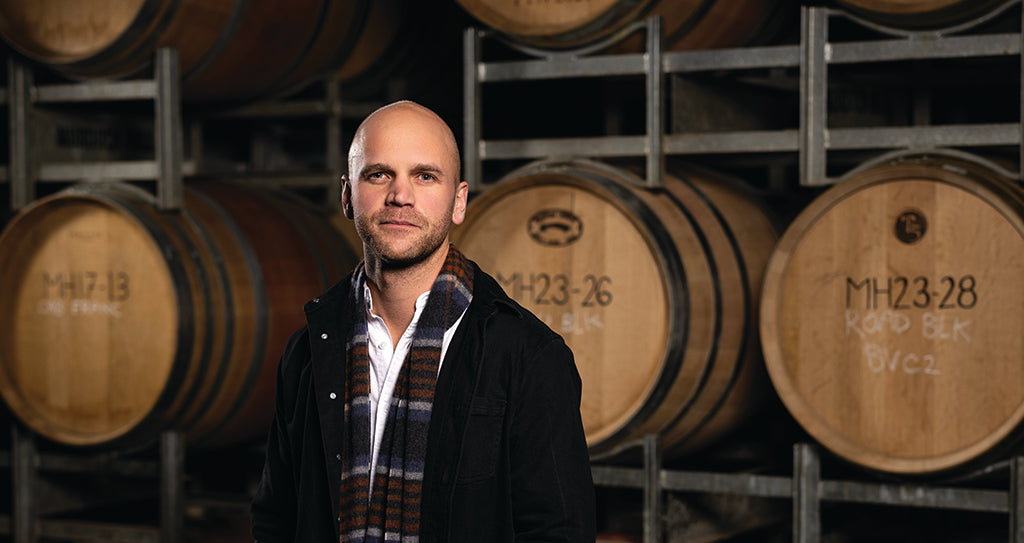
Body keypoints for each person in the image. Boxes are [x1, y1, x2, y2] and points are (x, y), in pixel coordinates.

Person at [250, 100, 596, 542]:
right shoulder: (309, 350)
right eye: (379, 174)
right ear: (346, 197)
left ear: (459, 201)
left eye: (425, 176)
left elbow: (559, 532)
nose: (401, 196)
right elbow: (276, 519)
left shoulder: (526, 355)